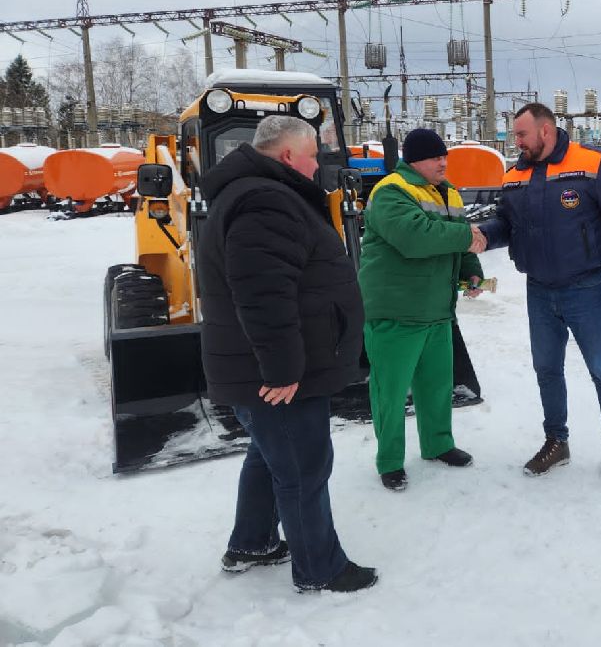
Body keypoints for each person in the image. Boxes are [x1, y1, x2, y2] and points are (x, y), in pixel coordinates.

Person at [196, 115, 377, 594]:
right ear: (289, 155)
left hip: (265, 368)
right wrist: (281, 369)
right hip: (276, 373)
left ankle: (252, 543)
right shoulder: (266, 201)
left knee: (270, 454)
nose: (318, 165)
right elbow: (263, 294)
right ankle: (320, 569)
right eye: (314, 155)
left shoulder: (259, 194)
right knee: (303, 468)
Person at [477, 103, 601, 487]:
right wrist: (484, 235)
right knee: (547, 370)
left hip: (585, 288)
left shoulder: (592, 164)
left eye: (521, 134)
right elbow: (507, 223)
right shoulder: (514, 175)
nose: (516, 142)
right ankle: (557, 442)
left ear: (545, 131)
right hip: (539, 290)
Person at [358, 128, 486, 492]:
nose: (443, 163)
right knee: (390, 392)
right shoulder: (391, 191)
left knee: (436, 386)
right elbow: (415, 238)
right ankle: (390, 462)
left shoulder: (448, 192)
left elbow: (459, 242)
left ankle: (438, 444)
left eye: (444, 156)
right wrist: (468, 236)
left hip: (437, 310)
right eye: (435, 157)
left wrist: (471, 272)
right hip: (396, 310)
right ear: (414, 160)